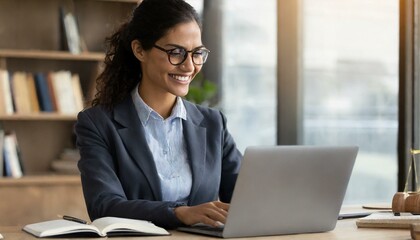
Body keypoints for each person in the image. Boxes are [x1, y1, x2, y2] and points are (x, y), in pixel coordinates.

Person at [74, 0, 242, 229]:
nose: (189, 66)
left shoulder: (213, 123)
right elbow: (104, 205)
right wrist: (180, 213)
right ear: (139, 50)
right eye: (176, 52)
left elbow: (247, 197)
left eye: (197, 53)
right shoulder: (98, 124)